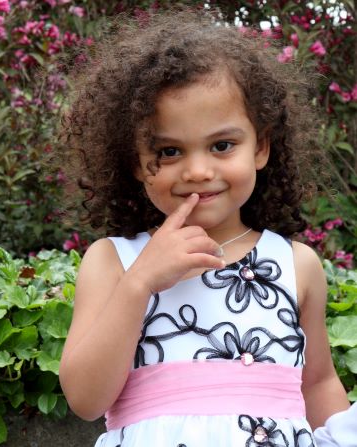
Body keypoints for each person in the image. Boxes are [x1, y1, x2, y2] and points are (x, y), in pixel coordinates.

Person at [57, 9, 351, 446]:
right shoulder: (115, 262)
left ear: (261, 147)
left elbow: (317, 383)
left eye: (222, 145)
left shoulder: (295, 265)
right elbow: (85, 399)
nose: (197, 170)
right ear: (136, 162)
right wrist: (139, 284)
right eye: (170, 151)